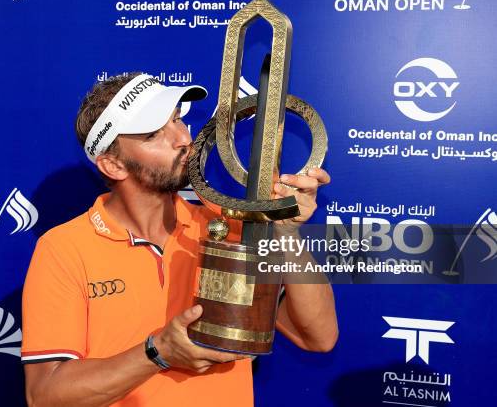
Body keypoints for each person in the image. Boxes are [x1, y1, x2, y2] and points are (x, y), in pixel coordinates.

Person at [21, 72, 338, 407]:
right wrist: (158, 352)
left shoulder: (227, 224)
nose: (183, 138)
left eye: (177, 120)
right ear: (113, 164)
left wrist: (285, 232)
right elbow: (45, 397)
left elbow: (318, 336)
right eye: (154, 133)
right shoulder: (64, 249)